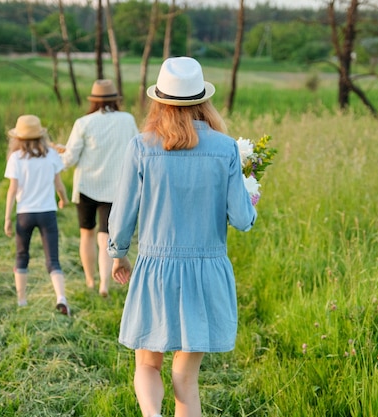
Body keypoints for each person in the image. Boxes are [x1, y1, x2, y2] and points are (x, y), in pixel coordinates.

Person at [108, 57, 257, 417]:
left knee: (147, 364)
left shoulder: (142, 146)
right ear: (203, 100)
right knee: (186, 379)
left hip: (156, 269)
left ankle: (152, 414)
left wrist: (119, 253)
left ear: (158, 101)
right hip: (206, 273)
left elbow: (123, 210)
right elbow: (241, 219)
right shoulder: (225, 149)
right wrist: (250, 196)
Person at [58, 79, 138, 297]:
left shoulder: (83, 123)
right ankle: (105, 283)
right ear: (115, 100)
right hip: (115, 187)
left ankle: (90, 280)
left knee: (87, 234)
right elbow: (135, 150)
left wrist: (60, 155)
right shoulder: (127, 120)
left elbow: (70, 159)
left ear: (93, 100)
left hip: (86, 186)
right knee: (106, 236)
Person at [4, 114, 71, 316]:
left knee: (21, 256)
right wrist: (63, 199)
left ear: (18, 138)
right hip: (47, 212)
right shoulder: (51, 155)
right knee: (53, 259)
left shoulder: (16, 158)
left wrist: (7, 217)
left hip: (24, 214)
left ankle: (22, 300)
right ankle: (61, 297)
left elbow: (12, 190)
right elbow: (59, 184)